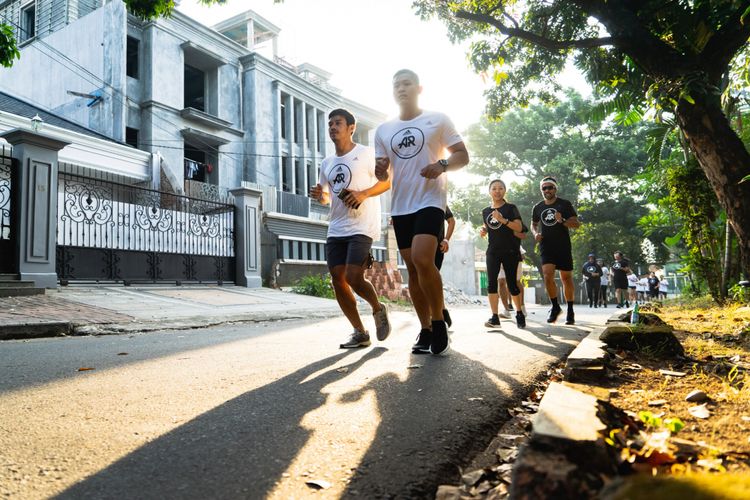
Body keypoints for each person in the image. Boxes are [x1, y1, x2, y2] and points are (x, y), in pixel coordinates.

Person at [374, 69, 469, 355]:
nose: (401, 89)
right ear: (393, 92)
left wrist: (440, 165)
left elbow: (462, 156)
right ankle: (425, 328)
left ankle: (439, 322)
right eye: (396, 85)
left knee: (422, 259)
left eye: (407, 84)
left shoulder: (437, 119)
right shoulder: (383, 130)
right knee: (414, 271)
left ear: (419, 88)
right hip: (401, 205)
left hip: (430, 200)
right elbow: (383, 175)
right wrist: (379, 171)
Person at [309, 108, 392, 349]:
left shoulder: (367, 154)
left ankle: (378, 309)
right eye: (330, 124)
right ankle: (359, 332)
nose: (333, 127)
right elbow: (326, 198)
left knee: (355, 276)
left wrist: (363, 194)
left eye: (338, 123)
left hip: (362, 225)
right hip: (336, 226)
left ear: (351, 128)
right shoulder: (327, 163)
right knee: (338, 279)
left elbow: (386, 183)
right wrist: (320, 195)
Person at [531, 176, 581, 325]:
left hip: (563, 245)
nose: (547, 190)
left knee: (566, 278)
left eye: (549, 187)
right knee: (547, 276)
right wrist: (535, 234)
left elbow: (576, 224)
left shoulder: (564, 204)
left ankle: (570, 309)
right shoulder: (538, 207)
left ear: (555, 189)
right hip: (546, 245)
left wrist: (563, 221)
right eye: (544, 188)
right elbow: (534, 224)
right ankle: (555, 306)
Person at [480, 179, 526, 329]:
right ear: (489, 191)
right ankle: (494, 317)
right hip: (493, 251)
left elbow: (519, 228)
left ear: (505, 191)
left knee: (512, 284)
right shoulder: (486, 211)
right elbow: (488, 225)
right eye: (494, 188)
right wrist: (484, 230)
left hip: (510, 250)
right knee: (491, 284)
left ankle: (519, 313)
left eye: (500, 188)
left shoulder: (511, 208)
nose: (497, 191)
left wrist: (503, 219)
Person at [435, 205, 456, 327]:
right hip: (418, 246)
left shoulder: (439, 200)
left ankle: (441, 312)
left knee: (432, 278)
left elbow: (451, 221)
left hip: (438, 246)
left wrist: (446, 239)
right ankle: (439, 312)